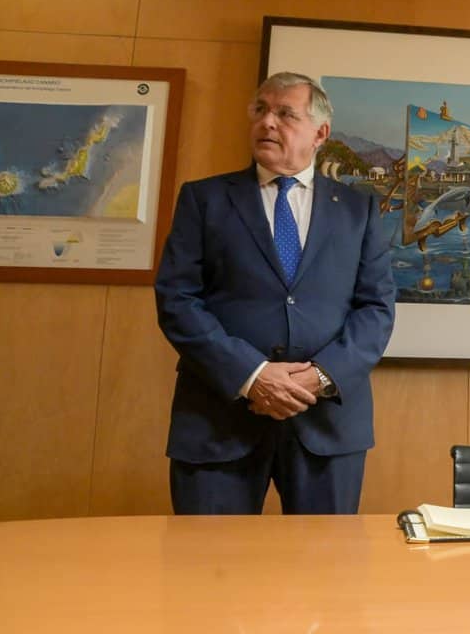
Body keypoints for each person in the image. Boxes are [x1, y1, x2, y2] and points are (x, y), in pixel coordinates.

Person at [155, 72, 395, 515]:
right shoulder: (204, 200)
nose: (268, 122)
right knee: (206, 574)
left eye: (285, 114)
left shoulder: (359, 210)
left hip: (327, 423)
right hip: (218, 419)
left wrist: (318, 377)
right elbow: (176, 300)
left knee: (323, 575)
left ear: (320, 133)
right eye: (260, 110)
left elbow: (376, 309)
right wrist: (252, 375)